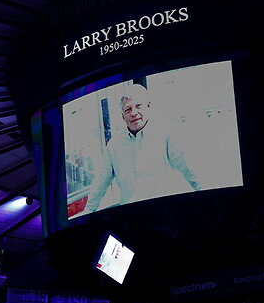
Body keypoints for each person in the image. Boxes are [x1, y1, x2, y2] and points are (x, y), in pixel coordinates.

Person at [85, 83, 201, 214]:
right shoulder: (114, 146)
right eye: (127, 110)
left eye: (138, 106)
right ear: (122, 116)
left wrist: (209, 198)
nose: (134, 113)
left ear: (149, 107)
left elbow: (189, 169)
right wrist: (87, 212)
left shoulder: (166, 134)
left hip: (166, 213)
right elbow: (100, 183)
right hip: (132, 218)